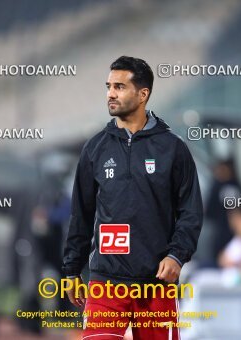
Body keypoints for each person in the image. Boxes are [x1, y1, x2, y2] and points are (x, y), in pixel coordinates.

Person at [62, 56, 203, 339]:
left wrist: (177, 255)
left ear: (143, 94)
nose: (110, 94)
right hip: (106, 282)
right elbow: (81, 215)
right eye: (109, 86)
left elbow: (191, 212)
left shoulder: (173, 149)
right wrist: (71, 270)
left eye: (119, 87)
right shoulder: (95, 148)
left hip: (156, 284)